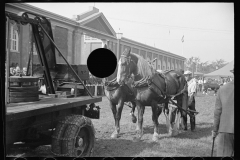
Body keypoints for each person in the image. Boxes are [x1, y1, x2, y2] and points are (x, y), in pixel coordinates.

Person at [212, 68, 234, 157]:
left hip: (226, 129)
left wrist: (215, 130)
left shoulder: (223, 89)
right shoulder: (222, 89)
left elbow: (217, 111)